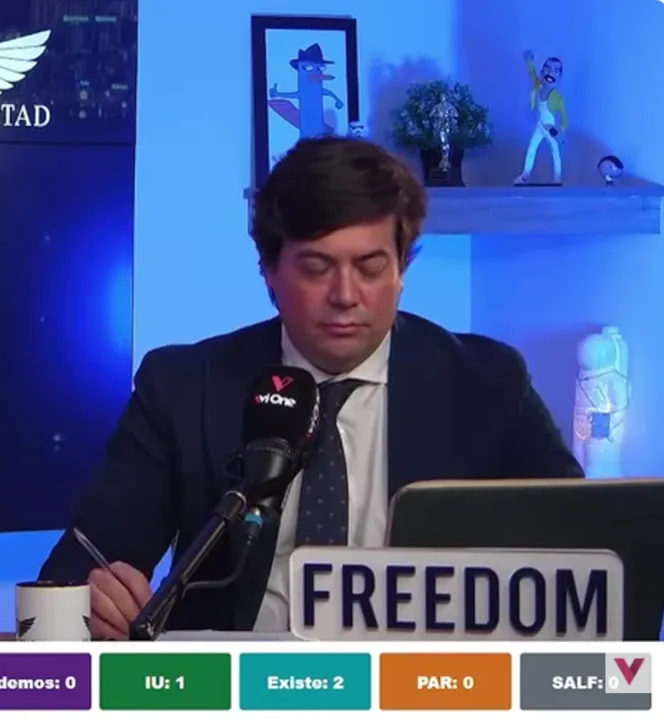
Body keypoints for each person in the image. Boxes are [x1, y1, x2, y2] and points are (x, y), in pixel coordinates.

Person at [38, 136, 583, 639]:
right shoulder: (185, 387)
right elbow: (74, 574)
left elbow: (587, 553)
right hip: (235, 689)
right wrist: (96, 597)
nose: (345, 295)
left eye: (371, 267)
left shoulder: (486, 383)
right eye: (317, 268)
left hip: (424, 687)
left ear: (402, 269)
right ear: (269, 270)